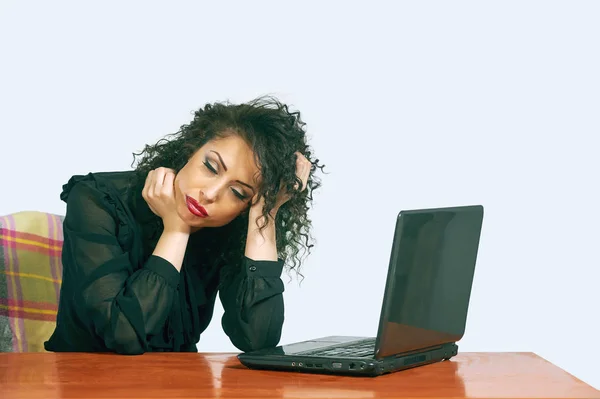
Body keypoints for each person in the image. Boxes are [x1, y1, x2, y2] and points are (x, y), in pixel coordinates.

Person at [44, 96, 324, 354]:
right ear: (192, 147)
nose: (211, 194)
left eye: (238, 193)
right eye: (211, 167)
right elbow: (123, 333)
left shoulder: (228, 229)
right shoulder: (97, 199)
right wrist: (176, 229)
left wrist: (267, 210)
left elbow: (258, 339)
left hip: (181, 385)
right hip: (84, 383)